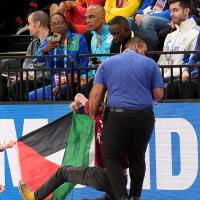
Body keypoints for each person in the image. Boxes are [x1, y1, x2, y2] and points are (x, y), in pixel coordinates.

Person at [88, 37, 164, 199]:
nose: (145, 54)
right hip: (144, 117)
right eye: (144, 50)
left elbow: (95, 94)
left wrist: (93, 114)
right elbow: (158, 94)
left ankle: (121, 197)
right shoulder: (150, 64)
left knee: (112, 158)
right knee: (137, 157)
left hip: (117, 117)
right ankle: (135, 196)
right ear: (137, 46)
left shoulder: (107, 64)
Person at [19, 93, 128, 200]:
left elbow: (79, 96)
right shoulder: (129, 123)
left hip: (103, 175)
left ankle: (35, 197)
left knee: (63, 173)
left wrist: (76, 103)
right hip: (121, 179)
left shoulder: (99, 114)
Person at [29, 12, 89, 101]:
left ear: (66, 25)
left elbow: (84, 66)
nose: (57, 26)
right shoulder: (48, 41)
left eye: (60, 23)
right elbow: (35, 60)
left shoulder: (78, 39)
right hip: (54, 84)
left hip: (74, 83)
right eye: (53, 24)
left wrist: (73, 79)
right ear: (51, 28)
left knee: (60, 91)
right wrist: (44, 50)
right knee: (31, 96)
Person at [9, 10, 51, 101]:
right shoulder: (33, 44)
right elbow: (26, 65)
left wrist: (31, 75)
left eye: (29, 23)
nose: (28, 27)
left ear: (37, 24)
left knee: (16, 86)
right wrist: (26, 75)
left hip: (46, 79)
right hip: (33, 78)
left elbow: (49, 68)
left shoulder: (53, 42)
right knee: (6, 83)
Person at [158, 0, 199, 81]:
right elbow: (161, 63)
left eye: (175, 10)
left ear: (186, 11)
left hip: (181, 82)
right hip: (163, 80)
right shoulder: (170, 36)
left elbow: (192, 67)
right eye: (170, 11)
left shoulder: (197, 33)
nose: (171, 14)